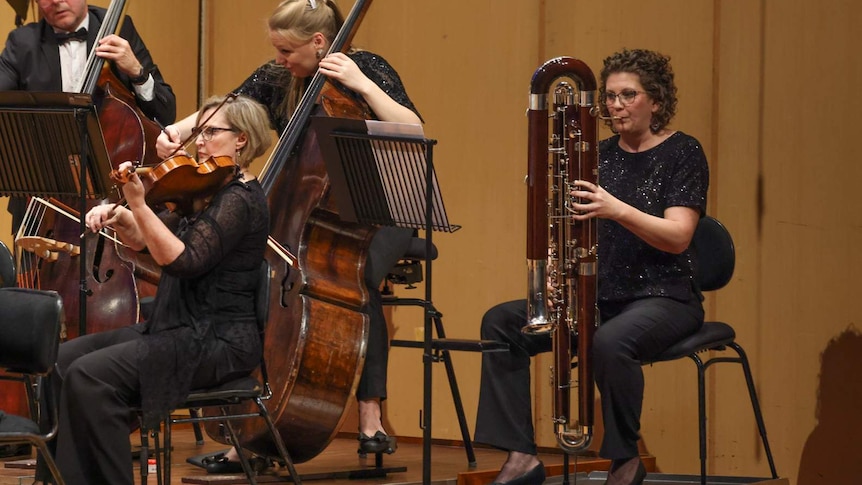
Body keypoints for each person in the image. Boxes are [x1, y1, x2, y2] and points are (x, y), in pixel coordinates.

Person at [155, 0, 421, 470]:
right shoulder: (280, 77)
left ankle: (370, 416)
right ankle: (253, 430)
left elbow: (411, 129)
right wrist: (178, 130)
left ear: (319, 43)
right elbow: (230, 106)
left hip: (381, 211)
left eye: (287, 50)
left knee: (353, 280)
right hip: (314, 210)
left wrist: (358, 82)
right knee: (252, 281)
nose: (279, 59)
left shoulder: (368, 67)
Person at [473, 48, 709, 485]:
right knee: (502, 323)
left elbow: (678, 236)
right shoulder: (594, 153)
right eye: (611, 97)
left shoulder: (682, 152)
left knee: (610, 341)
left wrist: (615, 209)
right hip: (598, 296)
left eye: (628, 95)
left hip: (664, 297)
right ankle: (521, 455)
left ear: (656, 101)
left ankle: (625, 459)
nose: (615, 105)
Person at [31, 93, 273, 485]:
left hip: (217, 340)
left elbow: (184, 260)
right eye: (199, 132)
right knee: (61, 363)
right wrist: (122, 216)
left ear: (241, 139)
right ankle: (58, 480)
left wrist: (140, 206)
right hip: (173, 325)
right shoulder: (204, 189)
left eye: (210, 132)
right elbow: (145, 242)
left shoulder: (241, 200)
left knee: (90, 377)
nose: (200, 142)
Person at [0, 0, 176, 234]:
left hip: (110, 191)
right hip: (44, 197)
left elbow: (165, 112)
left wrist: (136, 72)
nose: (56, 1)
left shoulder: (118, 27)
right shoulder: (23, 43)